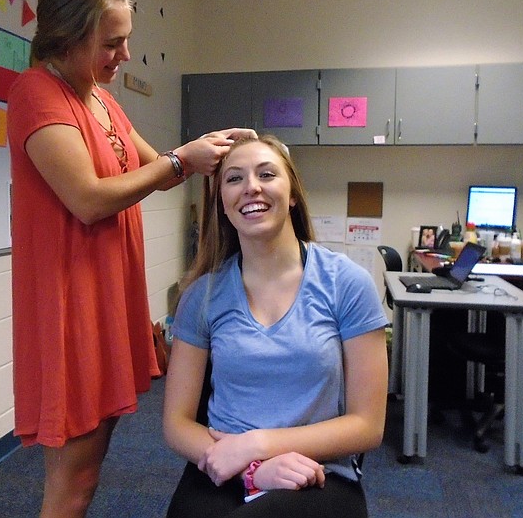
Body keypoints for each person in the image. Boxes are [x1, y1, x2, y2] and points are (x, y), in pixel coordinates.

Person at [6, 0, 255, 518]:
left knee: (88, 469)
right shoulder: (36, 94)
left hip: (108, 296)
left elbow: (162, 169)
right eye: (111, 43)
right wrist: (177, 159)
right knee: (75, 478)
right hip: (72, 306)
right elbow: (89, 199)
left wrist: (211, 152)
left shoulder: (100, 99)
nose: (123, 55)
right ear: (67, 38)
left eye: (127, 41)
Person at [163, 135, 389, 518]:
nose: (251, 186)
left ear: (293, 194)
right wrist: (251, 469)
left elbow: (368, 426)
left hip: (315, 470)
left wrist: (256, 445)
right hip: (223, 464)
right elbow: (176, 423)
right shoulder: (202, 295)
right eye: (234, 179)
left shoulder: (346, 283)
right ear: (222, 202)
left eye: (266, 174)